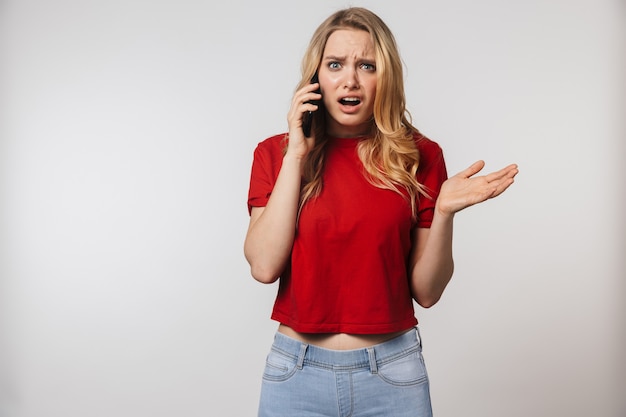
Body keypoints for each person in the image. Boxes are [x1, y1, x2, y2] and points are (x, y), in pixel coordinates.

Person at [244, 7, 518, 417]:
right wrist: (297, 154)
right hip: (295, 373)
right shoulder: (276, 154)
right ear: (316, 75)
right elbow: (264, 266)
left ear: (384, 77)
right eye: (335, 64)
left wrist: (443, 212)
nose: (350, 79)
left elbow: (427, 292)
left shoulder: (421, 155)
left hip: (392, 373)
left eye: (366, 65)